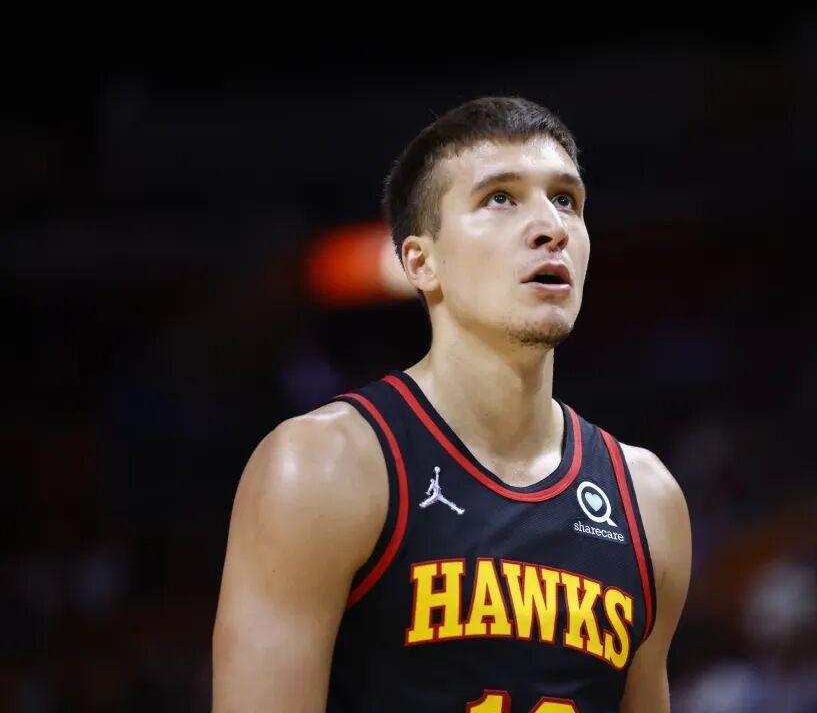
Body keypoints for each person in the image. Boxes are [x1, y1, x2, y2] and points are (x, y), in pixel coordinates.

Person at [212, 96, 692, 712]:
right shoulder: (321, 465)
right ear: (422, 262)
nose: (551, 226)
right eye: (501, 198)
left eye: (566, 200)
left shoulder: (648, 500)